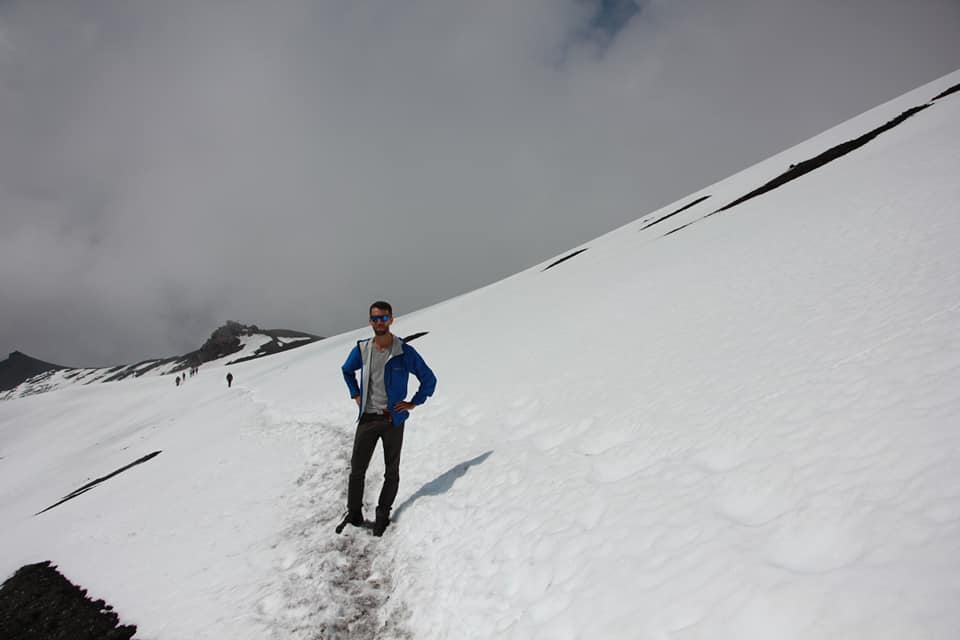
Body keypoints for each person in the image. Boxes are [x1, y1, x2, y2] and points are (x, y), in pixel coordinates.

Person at [340, 301, 437, 536]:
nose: (379, 322)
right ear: (370, 321)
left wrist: (414, 402)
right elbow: (346, 370)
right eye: (375, 318)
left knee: (391, 471)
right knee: (357, 470)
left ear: (391, 319)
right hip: (367, 419)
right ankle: (354, 514)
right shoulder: (363, 349)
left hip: (393, 420)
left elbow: (429, 379)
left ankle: (382, 516)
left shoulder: (403, 351)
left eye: (383, 318)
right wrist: (355, 394)